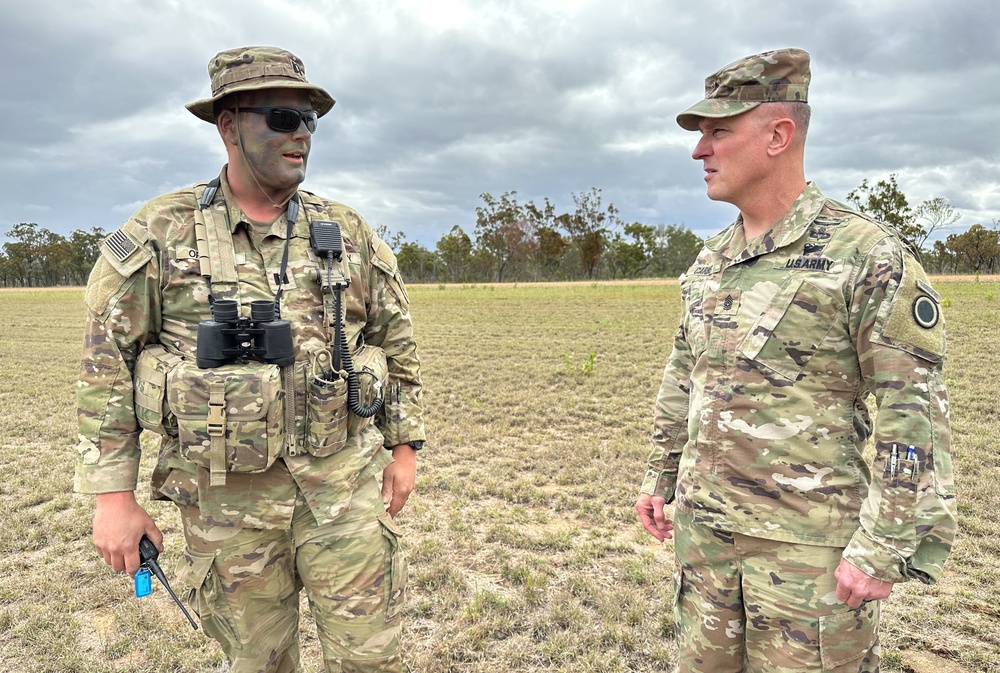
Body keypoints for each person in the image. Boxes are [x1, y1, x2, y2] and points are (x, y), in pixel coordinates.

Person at [74, 46, 426, 673]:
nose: (302, 136)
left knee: (371, 659)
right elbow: (107, 368)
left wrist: (405, 447)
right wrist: (113, 498)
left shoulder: (346, 230)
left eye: (310, 120)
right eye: (283, 118)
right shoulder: (160, 232)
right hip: (226, 508)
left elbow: (395, 342)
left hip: (342, 492)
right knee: (258, 664)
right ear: (229, 126)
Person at [635, 48, 956, 672]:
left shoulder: (866, 255)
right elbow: (685, 375)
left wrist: (884, 546)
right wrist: (661, 475)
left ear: (779, 135)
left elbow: (911, 414)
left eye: (719, 132)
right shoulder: (711, 262)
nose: (699, 151)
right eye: (701, 135)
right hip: (706, 543)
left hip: (808, 556)